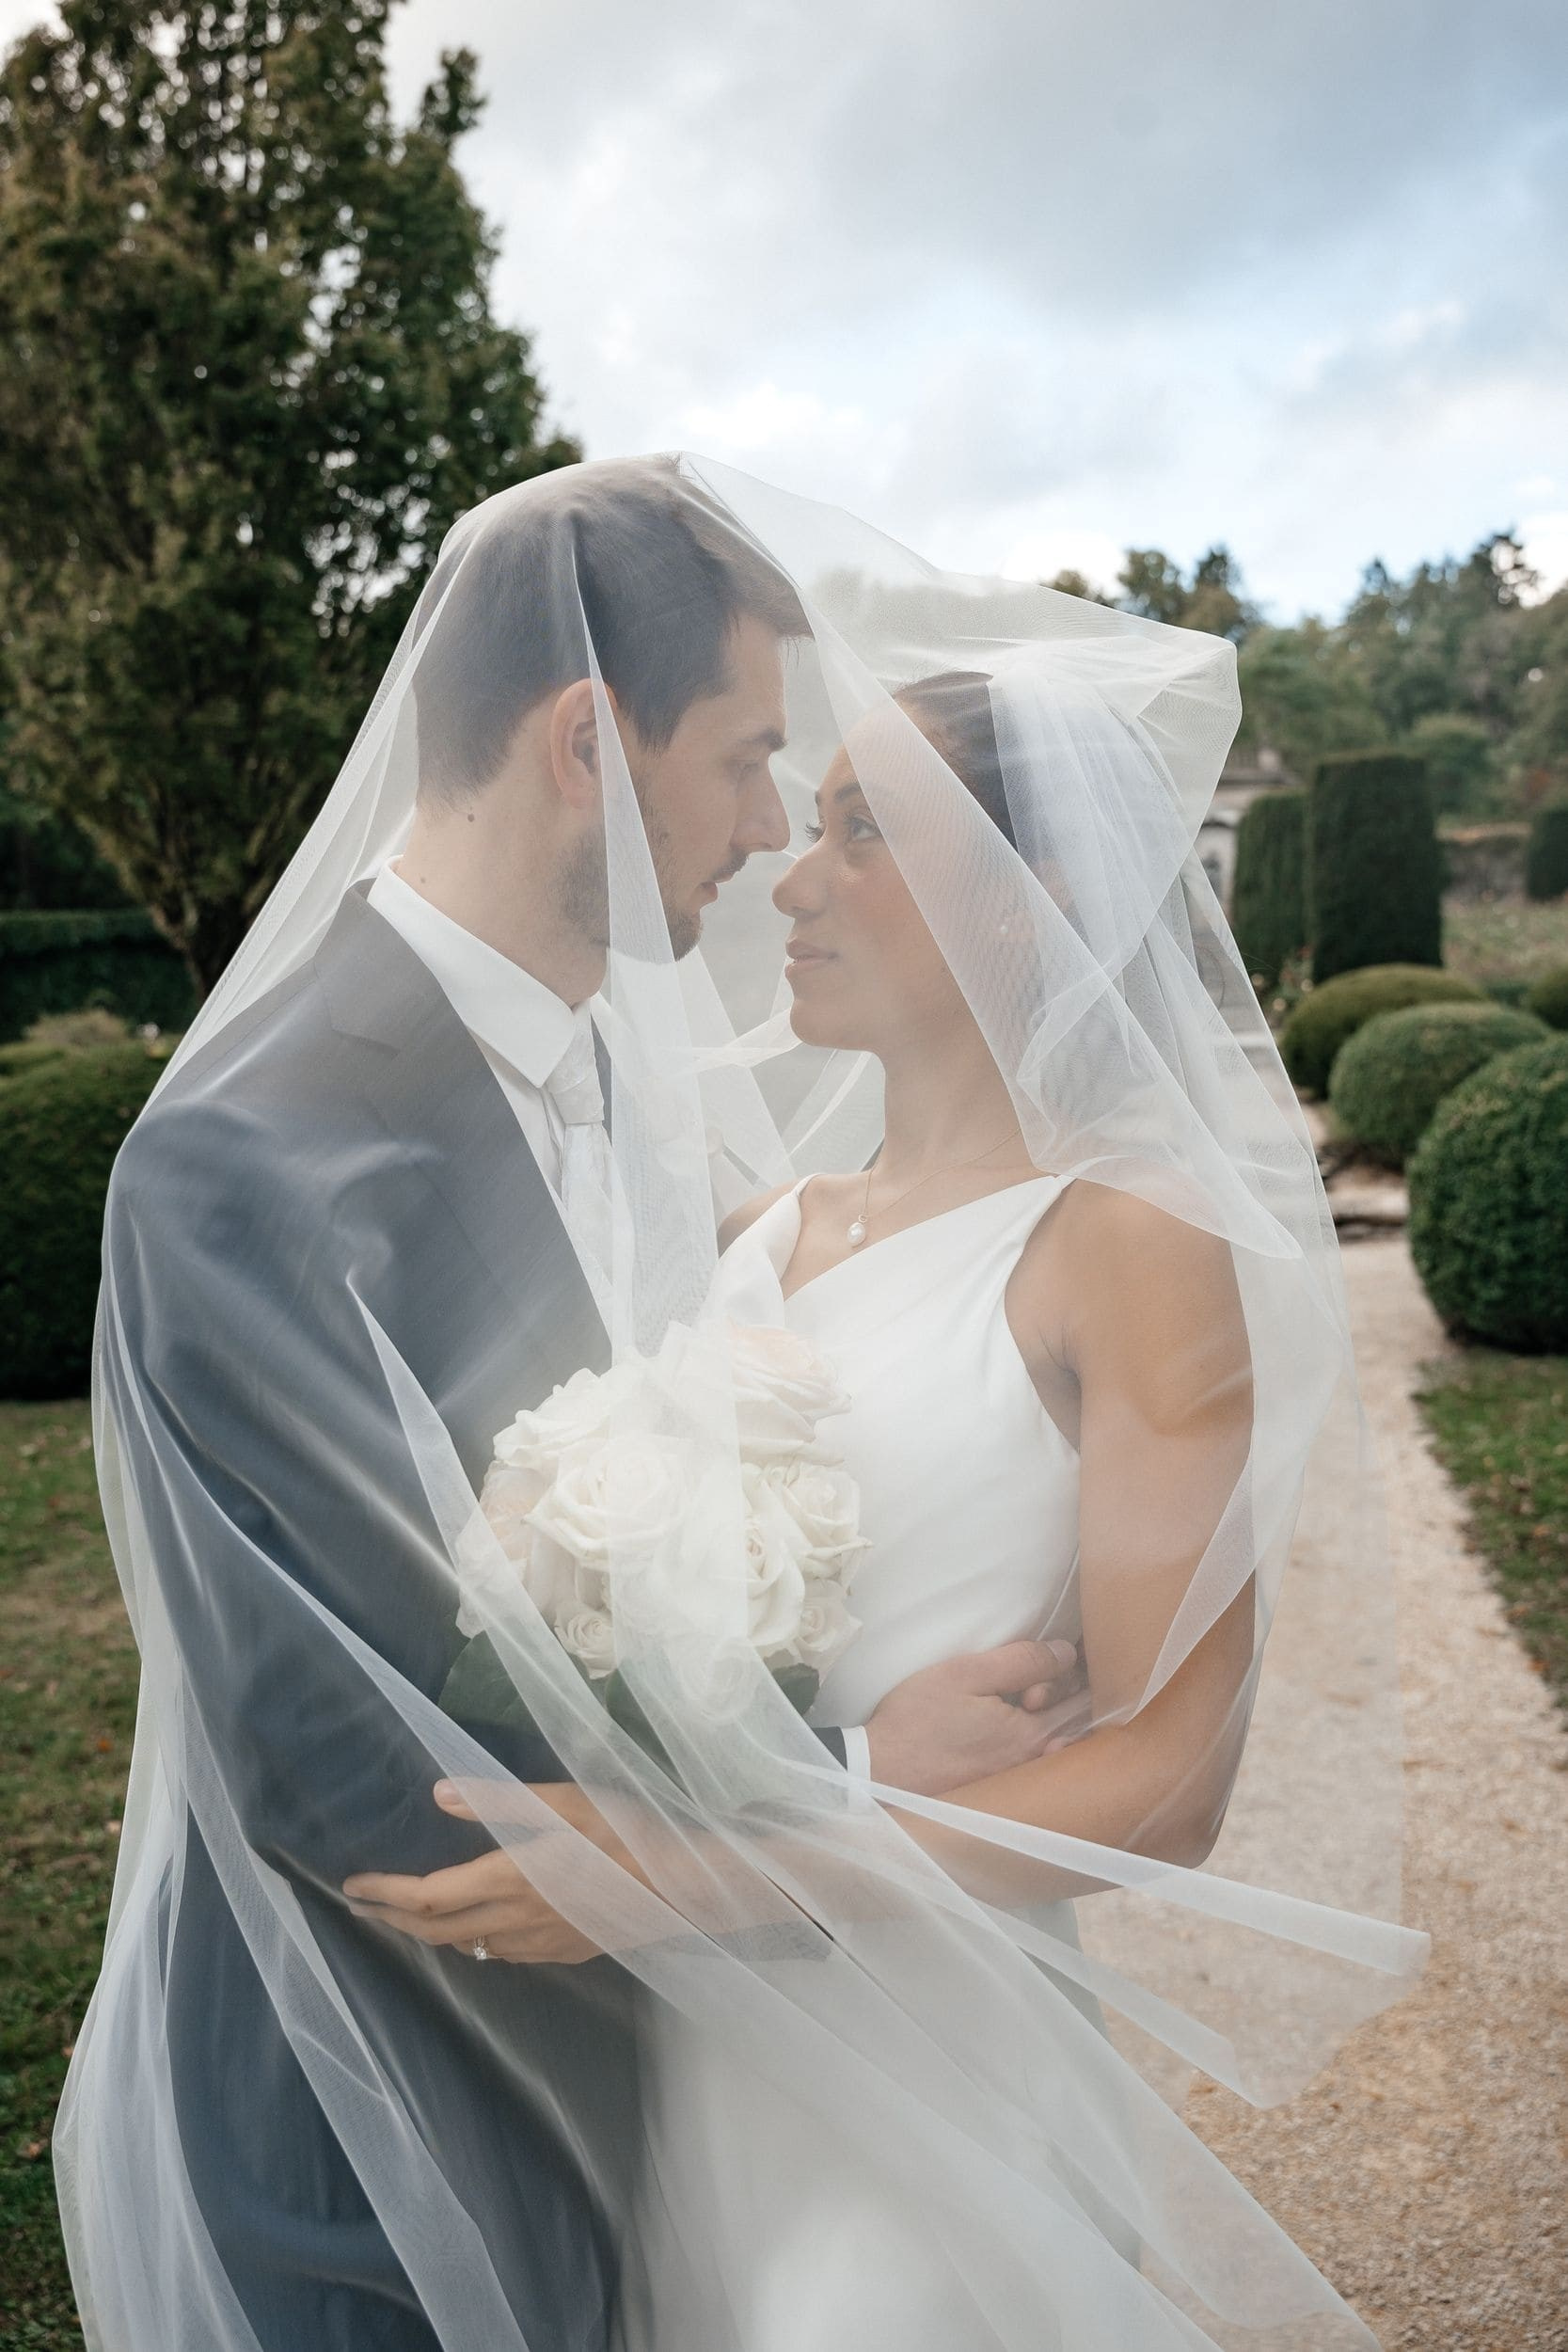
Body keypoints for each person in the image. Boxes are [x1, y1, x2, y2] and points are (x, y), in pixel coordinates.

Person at [59, 455, 1424, 2352]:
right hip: (558, 2080)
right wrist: (839, 1771)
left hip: (866, 2033)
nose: (782, 845)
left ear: (1027, 901)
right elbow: (347, 1729)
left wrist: (738, 1853)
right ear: (581, 745)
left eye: (860, 818)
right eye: (762, 770)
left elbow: (1165, 1764)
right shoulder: (719, 1214)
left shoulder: (1074, 1232)